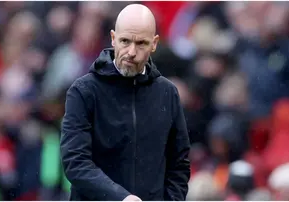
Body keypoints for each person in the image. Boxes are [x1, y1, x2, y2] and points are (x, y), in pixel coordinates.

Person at [60, 4, 191, 201]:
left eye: (141, 43)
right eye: (125, 41)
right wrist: (121, 198)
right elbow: (75, 163)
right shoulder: (84, 91)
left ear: (154, 43)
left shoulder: (168, 93)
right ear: (113, 38)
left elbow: (178, 164)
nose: (131, 51)